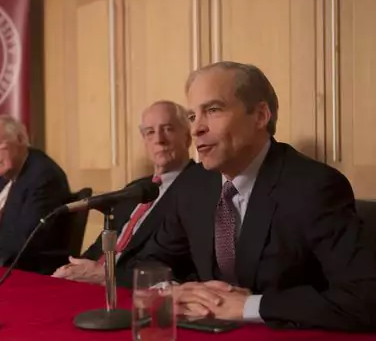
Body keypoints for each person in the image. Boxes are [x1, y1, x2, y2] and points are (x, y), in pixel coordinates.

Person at [134, 62, 376, 331]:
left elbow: (365, 298)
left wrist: (249, 306)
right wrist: (171, 290)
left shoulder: (315, 187)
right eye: (192, 116)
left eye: (213, 110)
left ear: (260, 116)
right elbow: (149, 261)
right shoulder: (193, 185)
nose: (196, 129)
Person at [52, 100, 195, 286]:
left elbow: (171, 264)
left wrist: (107, 276)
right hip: (95, 285)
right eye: (150, 132)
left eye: (168, 129)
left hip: (134, 290)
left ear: (187, 138)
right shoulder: (136, 188)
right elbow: (99, 248)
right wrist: (74, 268)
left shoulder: (198, 185)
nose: (159, 139)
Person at [0, 115, 71, 270]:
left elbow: (25, 238)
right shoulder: (3, 175)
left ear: (20, 139)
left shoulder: (44, 176)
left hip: (28, 271)